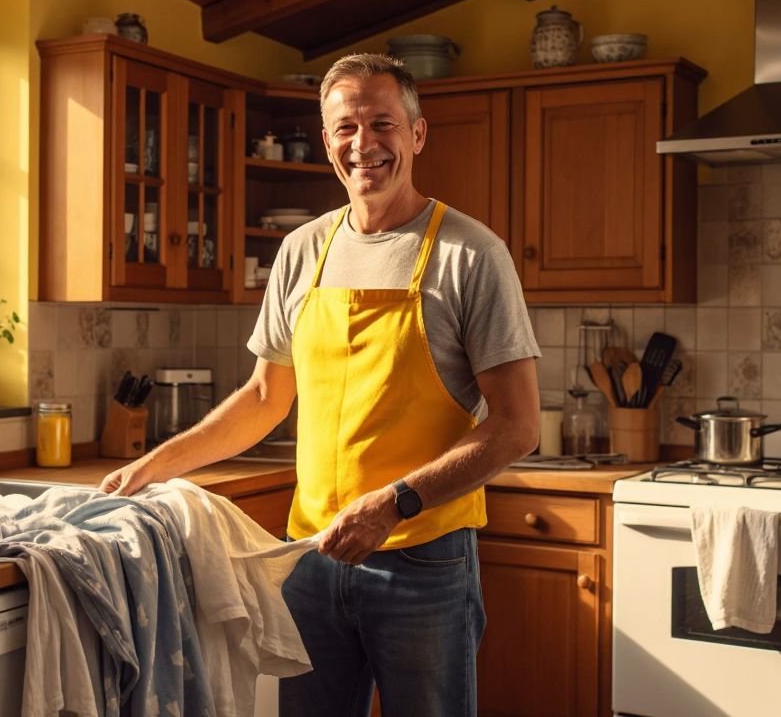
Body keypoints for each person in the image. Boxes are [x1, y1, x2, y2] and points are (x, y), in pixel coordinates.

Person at [101, 53, 540, 716]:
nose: (363, 145)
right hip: (309, 557)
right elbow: (263, 399)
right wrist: (152, 467)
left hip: (422, 561)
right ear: (327, 139)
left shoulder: (471, 255)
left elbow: (517, 426)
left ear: (417, 134)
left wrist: (393, 505)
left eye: (382, 123)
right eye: (346, 127)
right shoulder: (302, 249)